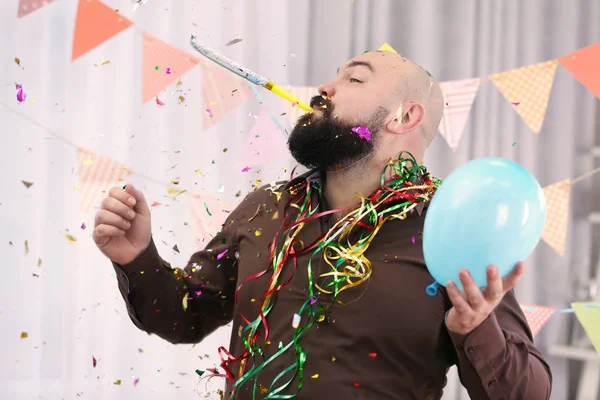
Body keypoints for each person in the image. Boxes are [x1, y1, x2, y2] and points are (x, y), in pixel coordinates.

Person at [93, 50, 552, 399]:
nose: (324, 88)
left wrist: (476, 327)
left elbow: (529, 392)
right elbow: (183, 316)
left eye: (352, 78)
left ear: (405, 116)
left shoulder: (454, 230)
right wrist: (136, 256)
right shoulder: (264, 208)